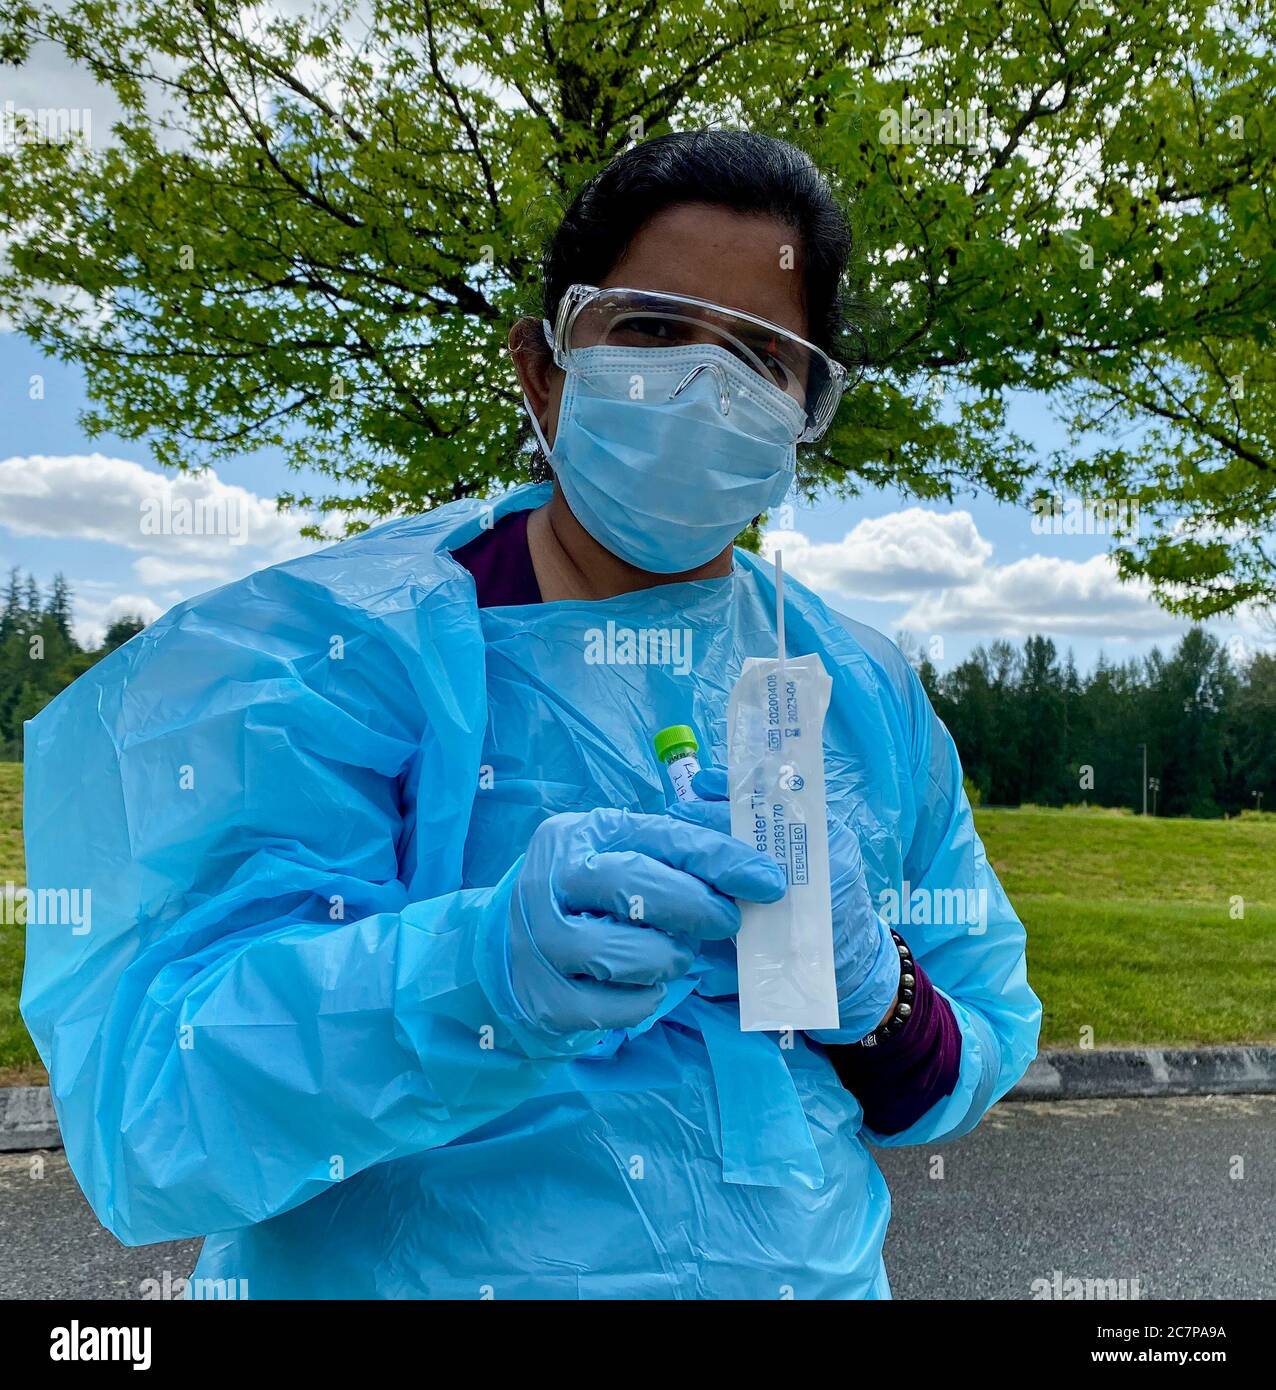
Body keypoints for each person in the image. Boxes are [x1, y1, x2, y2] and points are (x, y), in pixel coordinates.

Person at [21, 130, 1040, 1299]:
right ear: (542, 367)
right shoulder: (340, 656)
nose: (705, 386)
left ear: (807, 410)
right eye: (653, 329)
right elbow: (162, 1105)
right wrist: (477, 973)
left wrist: (876, 995)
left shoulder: (857, 692)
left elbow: (965, 1046)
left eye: (761, 354)